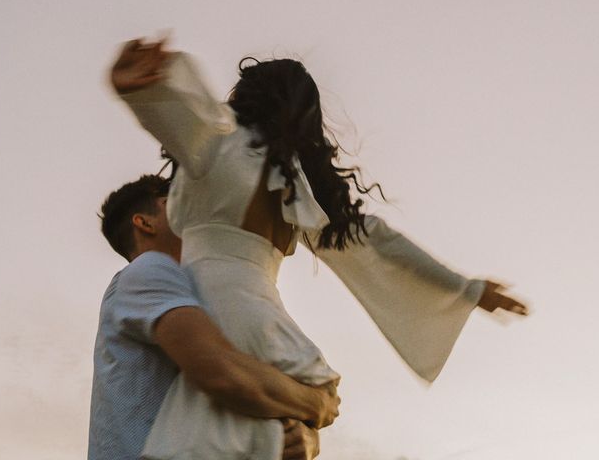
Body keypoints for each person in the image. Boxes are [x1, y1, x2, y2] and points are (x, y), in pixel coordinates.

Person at [109, 38, 528, 460]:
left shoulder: (220, 143)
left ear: (246, 97)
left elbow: (189, 108)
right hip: (263, 317)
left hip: (216, 307)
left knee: (209, 436)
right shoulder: (299, 189)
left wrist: (144, 86)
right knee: (267, 434)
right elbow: (380, 242)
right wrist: (466, 289)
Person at [88, 174, 339, 460]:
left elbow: (249, 386)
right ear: (145, 222)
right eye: (173, 201)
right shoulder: (147, 269)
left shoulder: (191, 288)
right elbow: (221, 373)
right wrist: (316, 403)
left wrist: (305, 437)